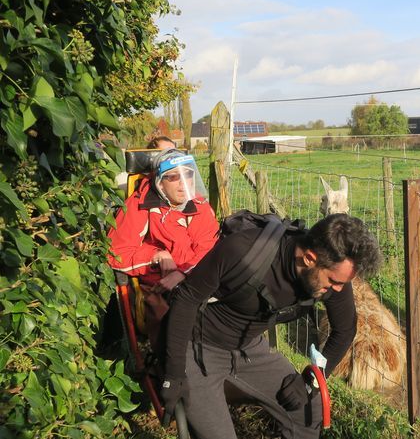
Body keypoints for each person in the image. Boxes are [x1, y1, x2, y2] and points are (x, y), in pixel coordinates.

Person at [161, 213, 382, 439]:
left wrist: (311, 381)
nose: (337, 289)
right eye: (334, 282)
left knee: (309, 410)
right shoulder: (242, 251)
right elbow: (186, 299)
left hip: (249, 347)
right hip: (197, 347)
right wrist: (174, 373)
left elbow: (344, 330)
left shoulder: (333, 276)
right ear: (309, 258)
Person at [107, 149, 220, 350]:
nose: (183, 182)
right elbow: (116, 253)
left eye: (188, 174)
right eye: (174, 176)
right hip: (160, 284)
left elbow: (210, 249)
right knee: (171, 316)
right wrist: (156, 255)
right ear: (160, 182)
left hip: (197, 276)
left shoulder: (199, 205)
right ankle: (168, 366)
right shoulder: (139, 206)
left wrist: (182, 272)